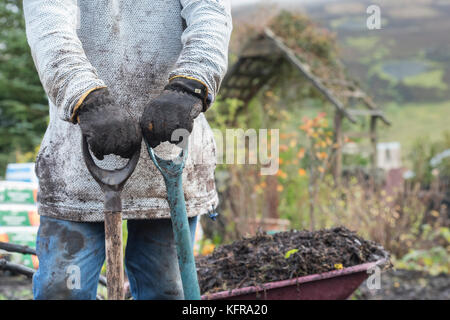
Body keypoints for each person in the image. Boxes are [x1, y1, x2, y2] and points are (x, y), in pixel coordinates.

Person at [23, 0, 232, 299]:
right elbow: (49, 23)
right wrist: (87, 98)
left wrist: (190, 85)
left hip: (169, 165)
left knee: (165, 290)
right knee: (62, 291)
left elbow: (210, 13)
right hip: (78, 164)